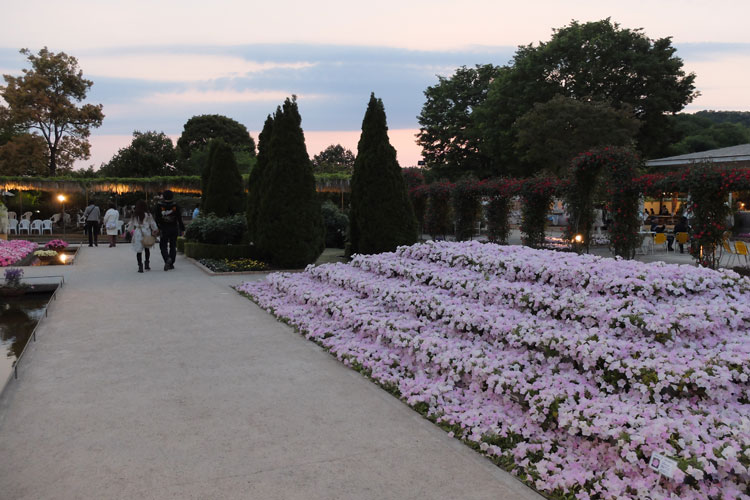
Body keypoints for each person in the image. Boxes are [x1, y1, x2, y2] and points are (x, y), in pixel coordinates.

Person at [153, 190, 184, 271]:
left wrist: (157, 227)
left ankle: (167, 259)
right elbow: (179, 218)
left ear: (164, 196)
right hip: (174, 228)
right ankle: (171, 263)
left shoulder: (159, 205)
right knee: (173, 246)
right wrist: (182, 228)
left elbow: (157, 218)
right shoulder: (176, 205)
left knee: (163, 245)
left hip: (164, 228)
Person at [127, 200, 158, 273]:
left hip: (138, 232)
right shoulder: (148, 215)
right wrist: (155, 229)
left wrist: (129, 230)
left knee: (139, 251)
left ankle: (140, 266)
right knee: (147, 249)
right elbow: (152, 223)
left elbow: (131, 225)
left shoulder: (135, 215)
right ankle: (147, 264)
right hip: (146, 232)